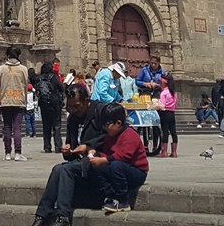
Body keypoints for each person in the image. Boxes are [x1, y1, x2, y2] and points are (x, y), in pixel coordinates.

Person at [28, 84, 109, 226]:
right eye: (71, 107)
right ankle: (42, 214)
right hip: (79, 163)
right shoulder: (73, 119)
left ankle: (63, 216)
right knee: (57, 168)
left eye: (77, 106)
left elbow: (110, 135)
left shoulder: (100, 111)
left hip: (97, 161)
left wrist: (89, 146)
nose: (74, 110)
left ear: (86, 101)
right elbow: (71, 150)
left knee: (65, 169)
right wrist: (67, 150)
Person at [89, 101, 149, 214]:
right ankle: (110, 196)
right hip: (120, 169)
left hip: (137, 172)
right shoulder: (109, 136)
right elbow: (108, 154)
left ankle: (123, 201)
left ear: (118, 123)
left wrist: (103, 160)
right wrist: (97, 154)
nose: (106, 128)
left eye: (107, 125)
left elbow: (124, 156)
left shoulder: (130, 135)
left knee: (116, 165)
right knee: (100, 167)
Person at [0, 46, 30, 161]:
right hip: (19, 100)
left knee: (7, 127)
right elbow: (26, 84)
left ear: (8, 55)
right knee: (17, 128)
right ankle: (18, 153)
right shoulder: (24, 69)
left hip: (5, 100)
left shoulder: (1, 69)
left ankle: (7, 153)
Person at [37, 60, 64, 153]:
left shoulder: (39, 78)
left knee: (46, 126)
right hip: (54, 103)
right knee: (56, 125)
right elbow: (61, 88)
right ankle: (58, 146)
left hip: (44, 104)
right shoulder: (54, 77)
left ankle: (47, 147)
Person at [157, 73, 179, 157]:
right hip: (172, 113)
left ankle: (164, 151)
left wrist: (157, 105)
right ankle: (174, 152)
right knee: (173, 132)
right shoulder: (173, 93)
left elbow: (162, 105)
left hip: (165, 113)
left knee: (165, 131)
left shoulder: (164, 93)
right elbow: (176, 104)